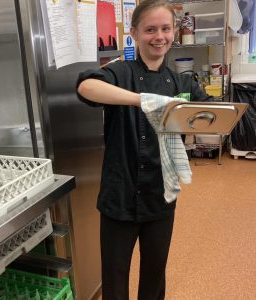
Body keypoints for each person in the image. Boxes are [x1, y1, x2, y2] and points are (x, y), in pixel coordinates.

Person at [76, 0, 212, 299]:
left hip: (160, 194)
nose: (159, 36)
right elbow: (86, 88)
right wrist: (143, 100)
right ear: (135, 33)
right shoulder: (120, 72)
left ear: (174, 32)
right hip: (120, 193)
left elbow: (211, 112)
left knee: (154, 272)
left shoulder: (180, 81)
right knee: (115, 274)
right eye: (150, 29)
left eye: (165, 28)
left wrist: (201, 118)